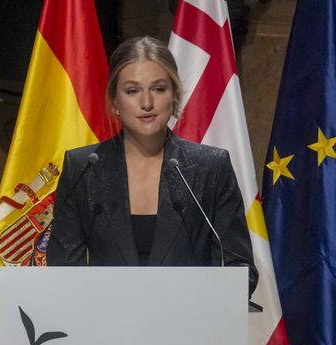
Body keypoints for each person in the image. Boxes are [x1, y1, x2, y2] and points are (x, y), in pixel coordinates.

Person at [47, 35, 257, 293]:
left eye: (158, 88)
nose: (147, 102)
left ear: (174, 96)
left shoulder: (211, 167)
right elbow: (62, 271)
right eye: (132, 91)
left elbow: (239, 270)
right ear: (115, 101)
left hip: (190, 326)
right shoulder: (83, 168)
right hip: (106, 326)